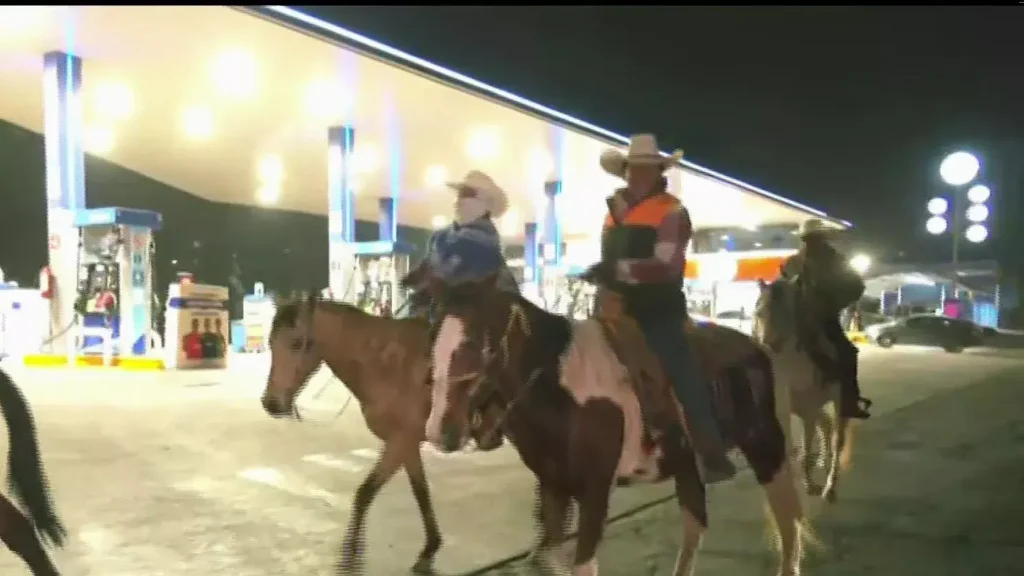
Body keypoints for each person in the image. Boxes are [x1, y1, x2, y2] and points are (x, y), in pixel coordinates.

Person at [597, 133, 736, 483]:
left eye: (645, 169)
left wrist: (619, 270)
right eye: (632, 168)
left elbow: (669, 264)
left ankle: (710, 451)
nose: (637, 175)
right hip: (613, 308)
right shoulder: (612, 212)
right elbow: (607, 258)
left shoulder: (672, 210)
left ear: (659, 171)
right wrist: (603, 281)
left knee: (682, 372)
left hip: (658, 309)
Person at [401, 170, 519, 333]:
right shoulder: (440, 235)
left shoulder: (486, 240)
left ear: (483, 204)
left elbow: (467, 278)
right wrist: (416, 276)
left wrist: (435, 280)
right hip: (434, 310)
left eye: (467, 195)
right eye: (459, 195)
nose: (459, 201)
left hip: (475, 319)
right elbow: (429, 266)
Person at [780, 218, 872, 420]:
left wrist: (833, 302)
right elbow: (781, 288)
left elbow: (856, 286)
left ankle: (848, 401)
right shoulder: (793, 262)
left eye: (815, 239)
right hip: (795, 319)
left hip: (822, 319)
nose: (812, 243)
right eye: (809, 239)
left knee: (848, 353)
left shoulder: (835, 261)